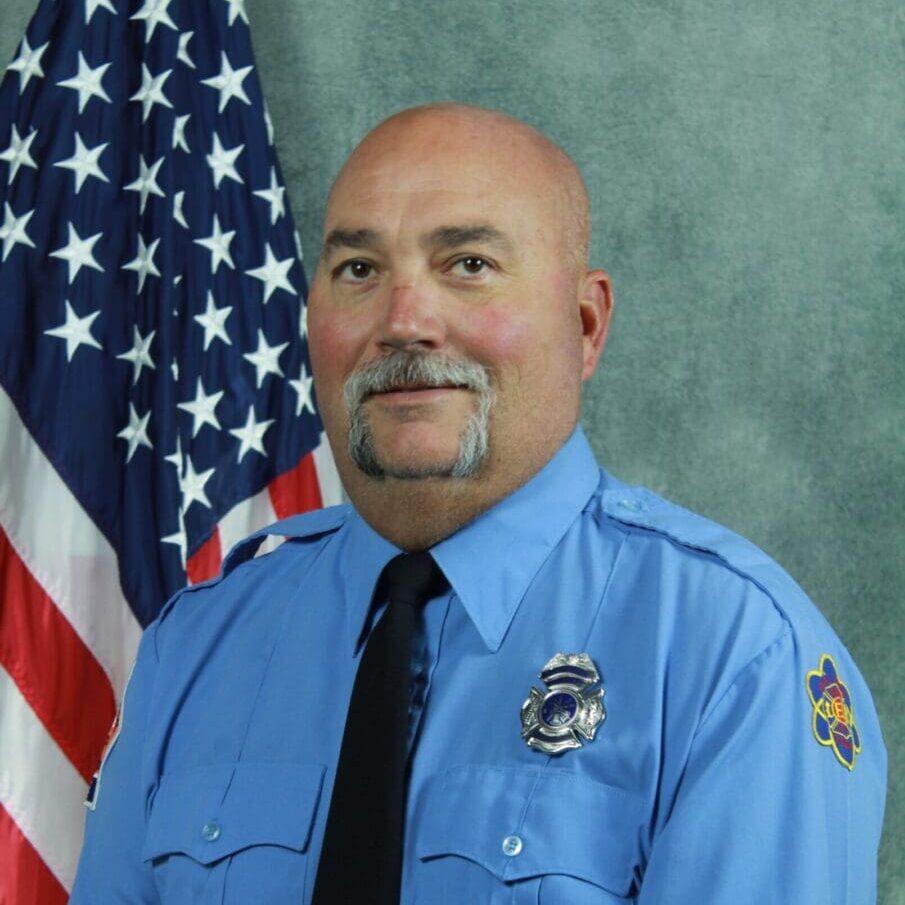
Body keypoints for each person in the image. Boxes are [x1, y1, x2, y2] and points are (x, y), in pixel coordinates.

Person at [70, 104, 886, 904]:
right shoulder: (199, 645)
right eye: (359, 269)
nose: (403, 321)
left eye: (467, 264)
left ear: (585, 322)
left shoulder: (731, 655)